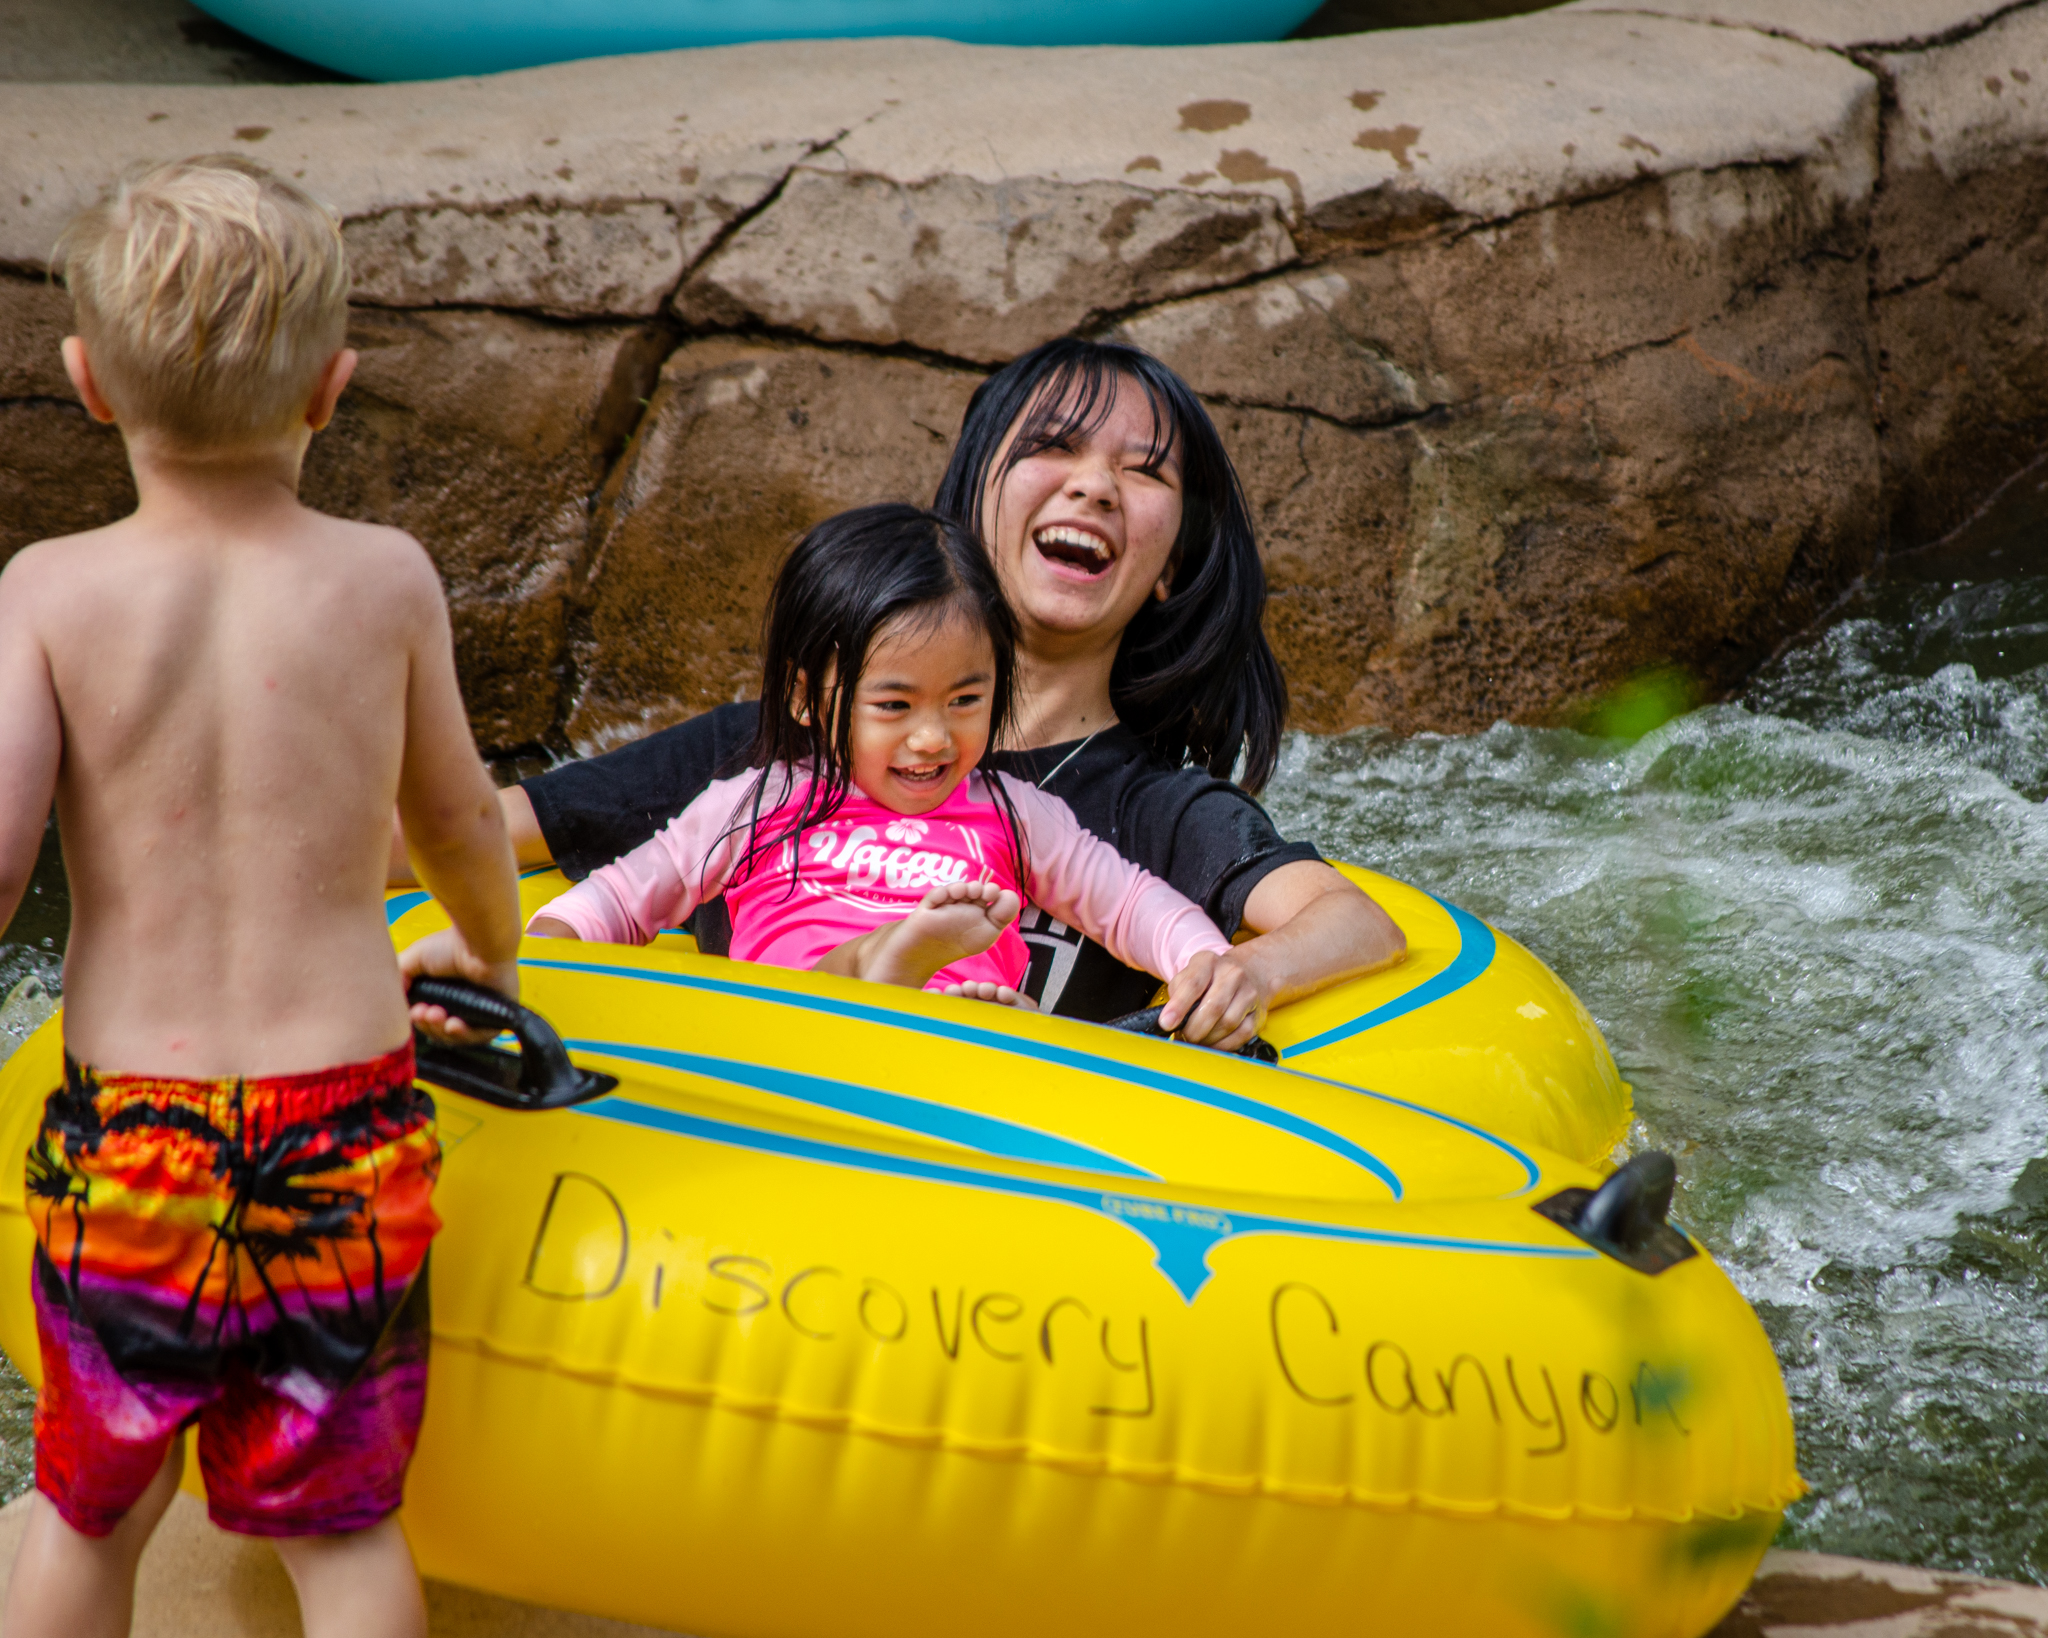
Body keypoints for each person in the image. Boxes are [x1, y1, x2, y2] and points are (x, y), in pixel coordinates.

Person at [0, 156, 521, 1638]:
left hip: (131, 1142)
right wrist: (501, 956)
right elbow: (460, 817)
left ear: (87, 383)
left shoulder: (47, 589)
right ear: (334, 386)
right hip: (340, 1129)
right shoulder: (386, 579)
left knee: (90, 1512)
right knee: (345, 1530)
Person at [408, 338, 1406, 1046]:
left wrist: (1246, 975)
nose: (1093, 487)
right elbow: (476, 839)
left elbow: (1355, 920)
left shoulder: (1154, 810)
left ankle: (915, 980)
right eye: (1052, 447)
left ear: (1171, 568)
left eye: (1142, 473)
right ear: (970, 498)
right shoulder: (763, 755)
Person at [528, 503, 1257, 1035]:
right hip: (784, 1027)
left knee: (1007, 1022)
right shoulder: (758, 800)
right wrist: (542, 956)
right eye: (894, 704)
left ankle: (924, 984)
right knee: (814, 994)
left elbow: (1127, 902)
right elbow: (627, 898)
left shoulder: (1012, 810)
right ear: (806, 698)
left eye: (966, 699)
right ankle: (880, 963)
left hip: (957, 1042)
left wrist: (1201, 960)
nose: (933, 737)